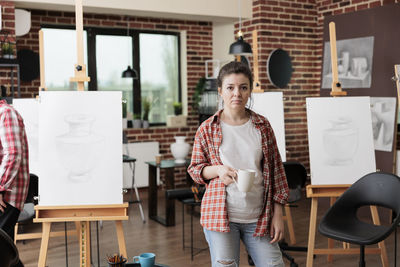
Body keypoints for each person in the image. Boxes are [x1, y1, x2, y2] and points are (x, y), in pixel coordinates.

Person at [187, 61, 289, 267]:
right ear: (220, 91)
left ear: (250, 91)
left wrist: (278, 214)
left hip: (259, 216)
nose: (237, 93)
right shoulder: (207, 128)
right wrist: (217, 170)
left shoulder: (262, 125)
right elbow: (195, 170)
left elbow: (277, 170)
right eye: (230, 87)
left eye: (243, 87)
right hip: (220, 216)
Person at [0, 98, 29, 267]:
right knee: (5, 251)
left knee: (3, 250)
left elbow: (12, 154)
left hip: (7, 195)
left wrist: (0, 188)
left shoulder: (6, 113)